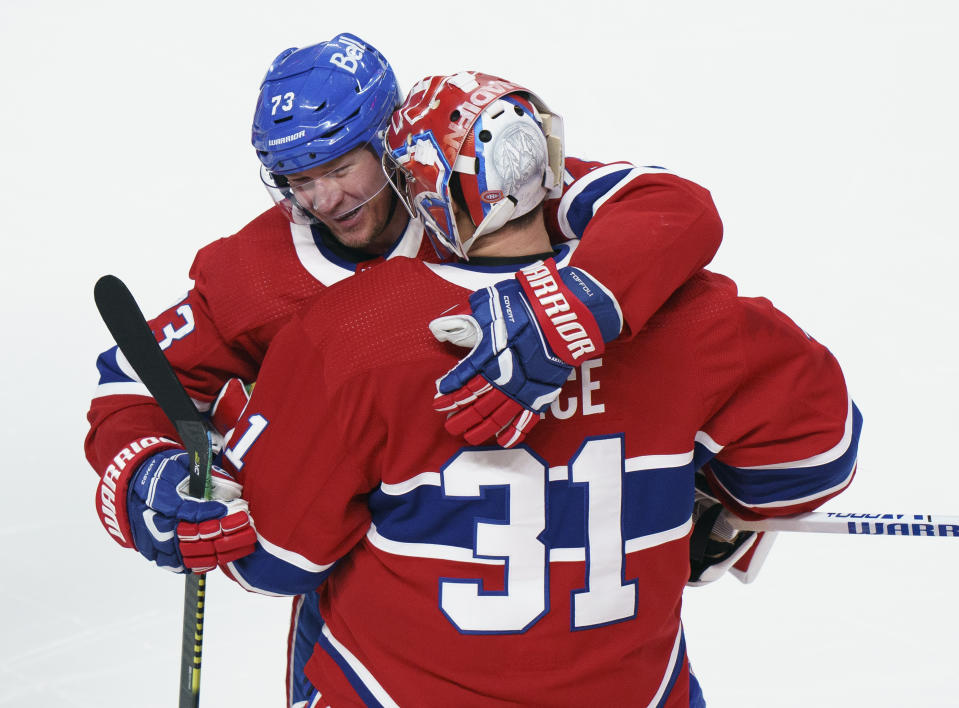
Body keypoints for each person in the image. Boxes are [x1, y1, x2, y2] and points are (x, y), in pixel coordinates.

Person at [85, 32, 731, 703]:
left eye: (339, 168)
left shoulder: (489, 188)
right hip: (378, 585)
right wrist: (142, 474)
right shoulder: (258, 272)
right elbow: (136, 378)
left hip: (565, 570)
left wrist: (571, 308)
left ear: (389, 136)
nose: (323, 201)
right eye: (299, 180)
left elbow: (670, 208)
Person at [216, 71, 862, 707]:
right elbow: (812, 465)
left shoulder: (351, 332)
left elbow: (274, 561)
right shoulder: (689, 315)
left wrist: (245, 439)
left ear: (423, 188)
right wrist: (704, 496)